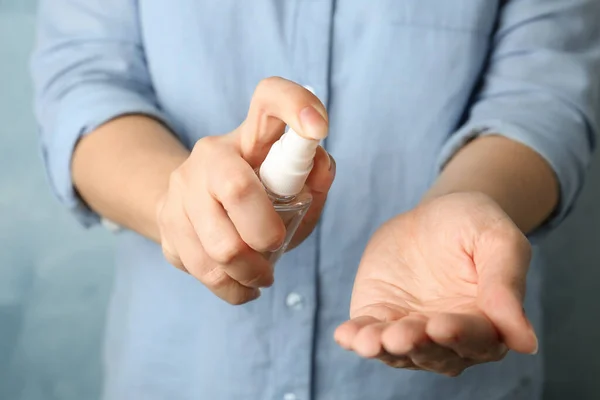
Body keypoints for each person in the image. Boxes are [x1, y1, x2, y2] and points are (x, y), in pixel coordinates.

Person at [30, 0, 600, 399]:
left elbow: (543, 97)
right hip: (183, 373)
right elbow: (84, 81)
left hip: (441, 373)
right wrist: (177, 203)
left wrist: (469, 199)